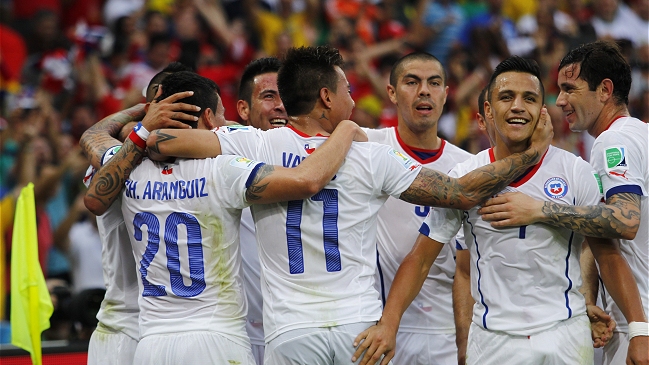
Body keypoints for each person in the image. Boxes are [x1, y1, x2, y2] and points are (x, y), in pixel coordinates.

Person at [142, 46, 552, 365]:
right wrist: (529, 155)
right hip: (360, 331)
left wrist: (145, 124)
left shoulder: (253, 143)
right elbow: (461, 194)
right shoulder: (370, 155)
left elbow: (161, 143)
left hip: (289, 332)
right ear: (326, 97)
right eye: (347, 91)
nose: (353, 100)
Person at [352, 56, 646, 365]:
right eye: (507, 97)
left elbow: (607, 254)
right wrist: (390, 323)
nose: (518, 106)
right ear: (488, 111)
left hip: (565, 336)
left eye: (529, 98)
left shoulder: (575, 170)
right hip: (493, 341)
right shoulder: (466, 175)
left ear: (541, 111)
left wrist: (638, 329)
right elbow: (421, 259)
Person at [85, 70, 366, 365]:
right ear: (208, 118)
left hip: (152, 343)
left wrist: (144, 118)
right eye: (221, 116)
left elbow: (92, 139)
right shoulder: (224, 171)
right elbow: (306, 180)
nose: (227, 125)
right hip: (217, 340)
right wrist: (346, 129)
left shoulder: (128, 169)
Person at [478, 40, 649, 364]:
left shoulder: (615, 140)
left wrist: (540, 209)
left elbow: (625, 220)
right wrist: (589, 297)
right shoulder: (641, 133)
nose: (561, 101)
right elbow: (596, 239)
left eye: (570, 89)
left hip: (638, 321)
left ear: (604, 90)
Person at [80, 62, 194, 365]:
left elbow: (94, 132)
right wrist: (144, 115)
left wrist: (139, 113)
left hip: (176, 328)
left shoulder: (201, 160)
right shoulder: (120, 158)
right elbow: (93, 137)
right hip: (126, 328)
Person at [364, 52, 472, 365]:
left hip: (445, 333)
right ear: (392, 93)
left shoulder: (467, 166)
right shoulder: (366, 148)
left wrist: (464, 342)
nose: (424, 90)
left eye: (434, 83)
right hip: (379, 328)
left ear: (445, 94)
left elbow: (465, 269)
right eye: (412, 82)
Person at [236, 57, 288, 364]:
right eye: (269, 96)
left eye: (287, 96)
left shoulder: (322, 164)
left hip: (298, 334)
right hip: (238, 338)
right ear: (243, 110)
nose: (281, 105)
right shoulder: (214, 165)